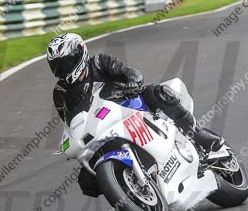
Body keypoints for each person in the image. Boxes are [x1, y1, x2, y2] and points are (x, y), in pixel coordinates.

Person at [47, 33, 225, 191]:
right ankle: (127, 187)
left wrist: (132, 83)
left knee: (159, 93)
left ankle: (198, 135)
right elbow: (70, 121)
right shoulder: (60, 92)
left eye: (67, 63)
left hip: (128, 104)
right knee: (86, 182)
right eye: (58, 67)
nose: (63, 70)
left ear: (81, 53)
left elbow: (128, 72)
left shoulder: (99, 62)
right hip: (100, 126)